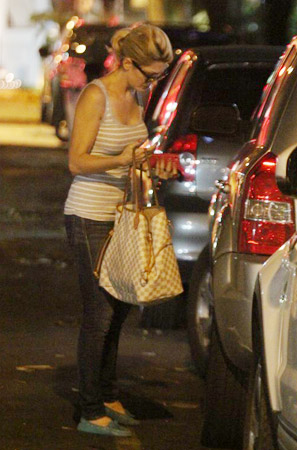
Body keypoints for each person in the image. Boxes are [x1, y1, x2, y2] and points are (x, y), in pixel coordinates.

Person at [63, 23, 178, 437]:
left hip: (122, 215)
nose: (154, 82)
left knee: (120, 308)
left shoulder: (135, 95)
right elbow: (76, 162)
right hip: (89, 214)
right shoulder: (97, 96)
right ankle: (90, 410)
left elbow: (134, 159)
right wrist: (124, 159)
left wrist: (153, 164)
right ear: (128, 63)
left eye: (160, 75)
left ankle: (108, 396)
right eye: (150, 74)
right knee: (100, 315)